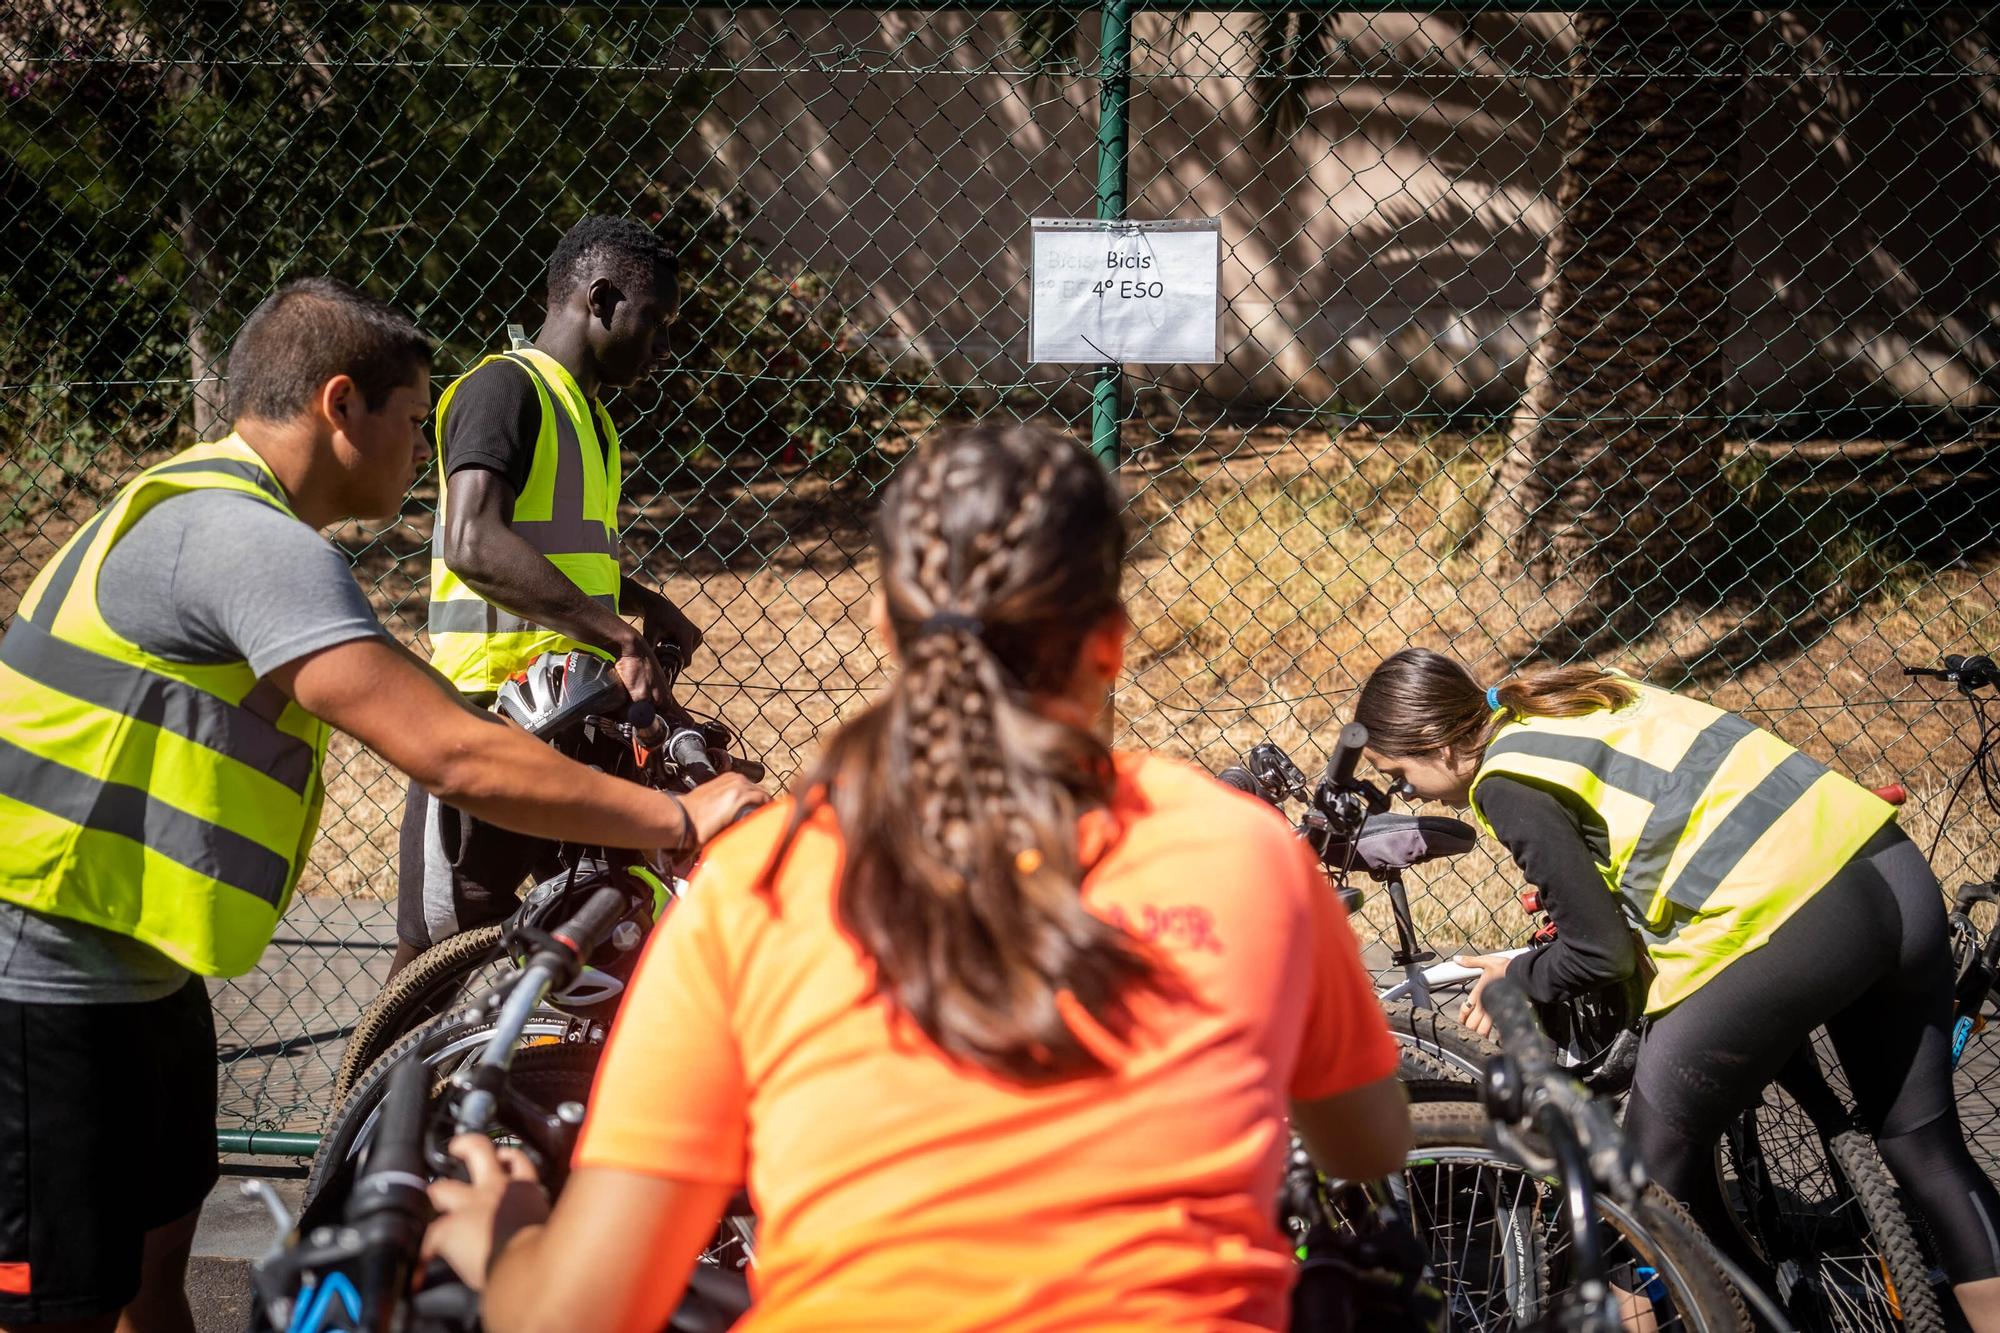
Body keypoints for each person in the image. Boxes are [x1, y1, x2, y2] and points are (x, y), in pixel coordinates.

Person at [423, 422, 1414, 1331]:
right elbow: (1367, 1145)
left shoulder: (757, 887)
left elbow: (574, 1316)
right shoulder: (1244, 853)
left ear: (882, 628)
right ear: (1108, 642)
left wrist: (502, 1235)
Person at [0, 278, 763, 1333]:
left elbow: (442, 707)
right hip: (41, 964)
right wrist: (679, 822)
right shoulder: (244, 540)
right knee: (56, 1305)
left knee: (150, 1269)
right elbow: (448, 752)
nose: (424, 452)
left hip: (133, 962)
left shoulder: (217, 511)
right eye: (413, 422)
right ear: (339, 404)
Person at [1353, 647, 2000, 1327]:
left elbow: (1598, 953)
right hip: (1884, 864)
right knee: (1925, 1150)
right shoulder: (1577, 699)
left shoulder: (1504, 779)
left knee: (1635, 1193)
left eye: (1400, 776)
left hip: (1789, 918)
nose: (1410, 794)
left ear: (1435, 742)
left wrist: (1516, 980)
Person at [395, 215, 703, 973]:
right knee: (443, 952)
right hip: (489, 719)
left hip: (574, 714)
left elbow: (553, 552)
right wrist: (620, 638)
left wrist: (635, 600)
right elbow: (474, 541)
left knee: (600, 930)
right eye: (655, 320)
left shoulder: (589, 416)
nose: (665, 345)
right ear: (599, 301)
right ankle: (379, 1089)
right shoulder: (506, 389)